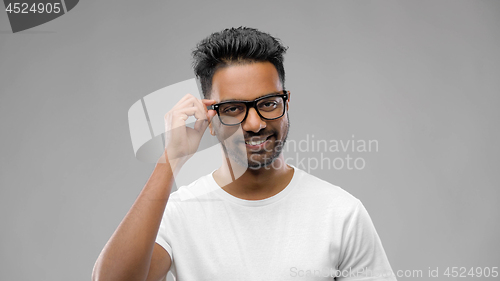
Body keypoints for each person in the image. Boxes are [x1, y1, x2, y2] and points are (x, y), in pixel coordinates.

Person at [92, 27, 397, 281]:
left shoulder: (340, 213)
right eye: (233, 109)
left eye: (268, 103)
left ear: (286, 102)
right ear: (210, 117)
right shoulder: (179, 212)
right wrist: (170, 160)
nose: (255, 123)